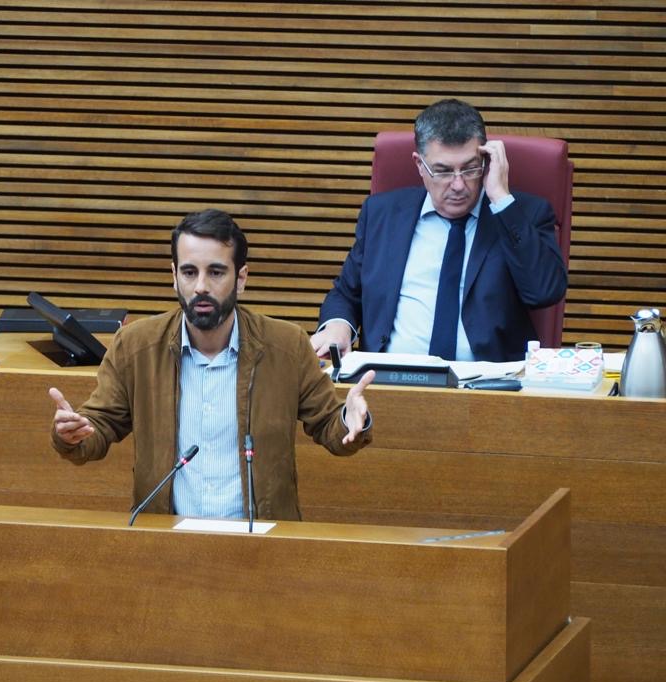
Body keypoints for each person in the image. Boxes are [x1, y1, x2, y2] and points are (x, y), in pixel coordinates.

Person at [49, 209, 374, 521]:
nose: (201, 286)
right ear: (174, 277)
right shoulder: (136, 347)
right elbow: (99, 425)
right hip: (166, 542)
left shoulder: (286, 347)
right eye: (190, 272)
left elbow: (330, 426)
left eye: (216, 272)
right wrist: (72, 434)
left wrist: (350, 417)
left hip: (259, 543)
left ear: (241, 278)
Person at [311, 98, 567, 363]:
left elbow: (545, 291)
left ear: (486, 162)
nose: (458, 185)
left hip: (487, 388)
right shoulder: (382, 214)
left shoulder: (521, 214)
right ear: (420, 165)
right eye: (443, 171)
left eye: (469, 168)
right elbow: (346, 292)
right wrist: (338, 325)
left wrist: (501, 198)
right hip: (388, 381)